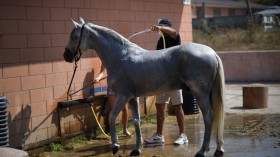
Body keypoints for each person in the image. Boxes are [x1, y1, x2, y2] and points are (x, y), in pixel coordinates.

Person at [145, 19, 188, 145]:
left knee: (177, 106)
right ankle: (159, 135)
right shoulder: (160, 42)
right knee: (159, 106)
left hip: (175, 79)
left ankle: (183, 135)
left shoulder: (175, 37)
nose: (161, 30)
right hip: (162, 80)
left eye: (163, 27)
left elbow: (173, 31)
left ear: (167, 27)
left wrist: (160, 27)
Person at [95, 64, 131, 136]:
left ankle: (125, 129)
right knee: (112, 110)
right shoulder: (105, 59)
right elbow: (102, 72)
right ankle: (113, 133)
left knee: (125, 109)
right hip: (112, 87)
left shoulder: (120, 57)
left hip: (122, 87)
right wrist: (98, 78)